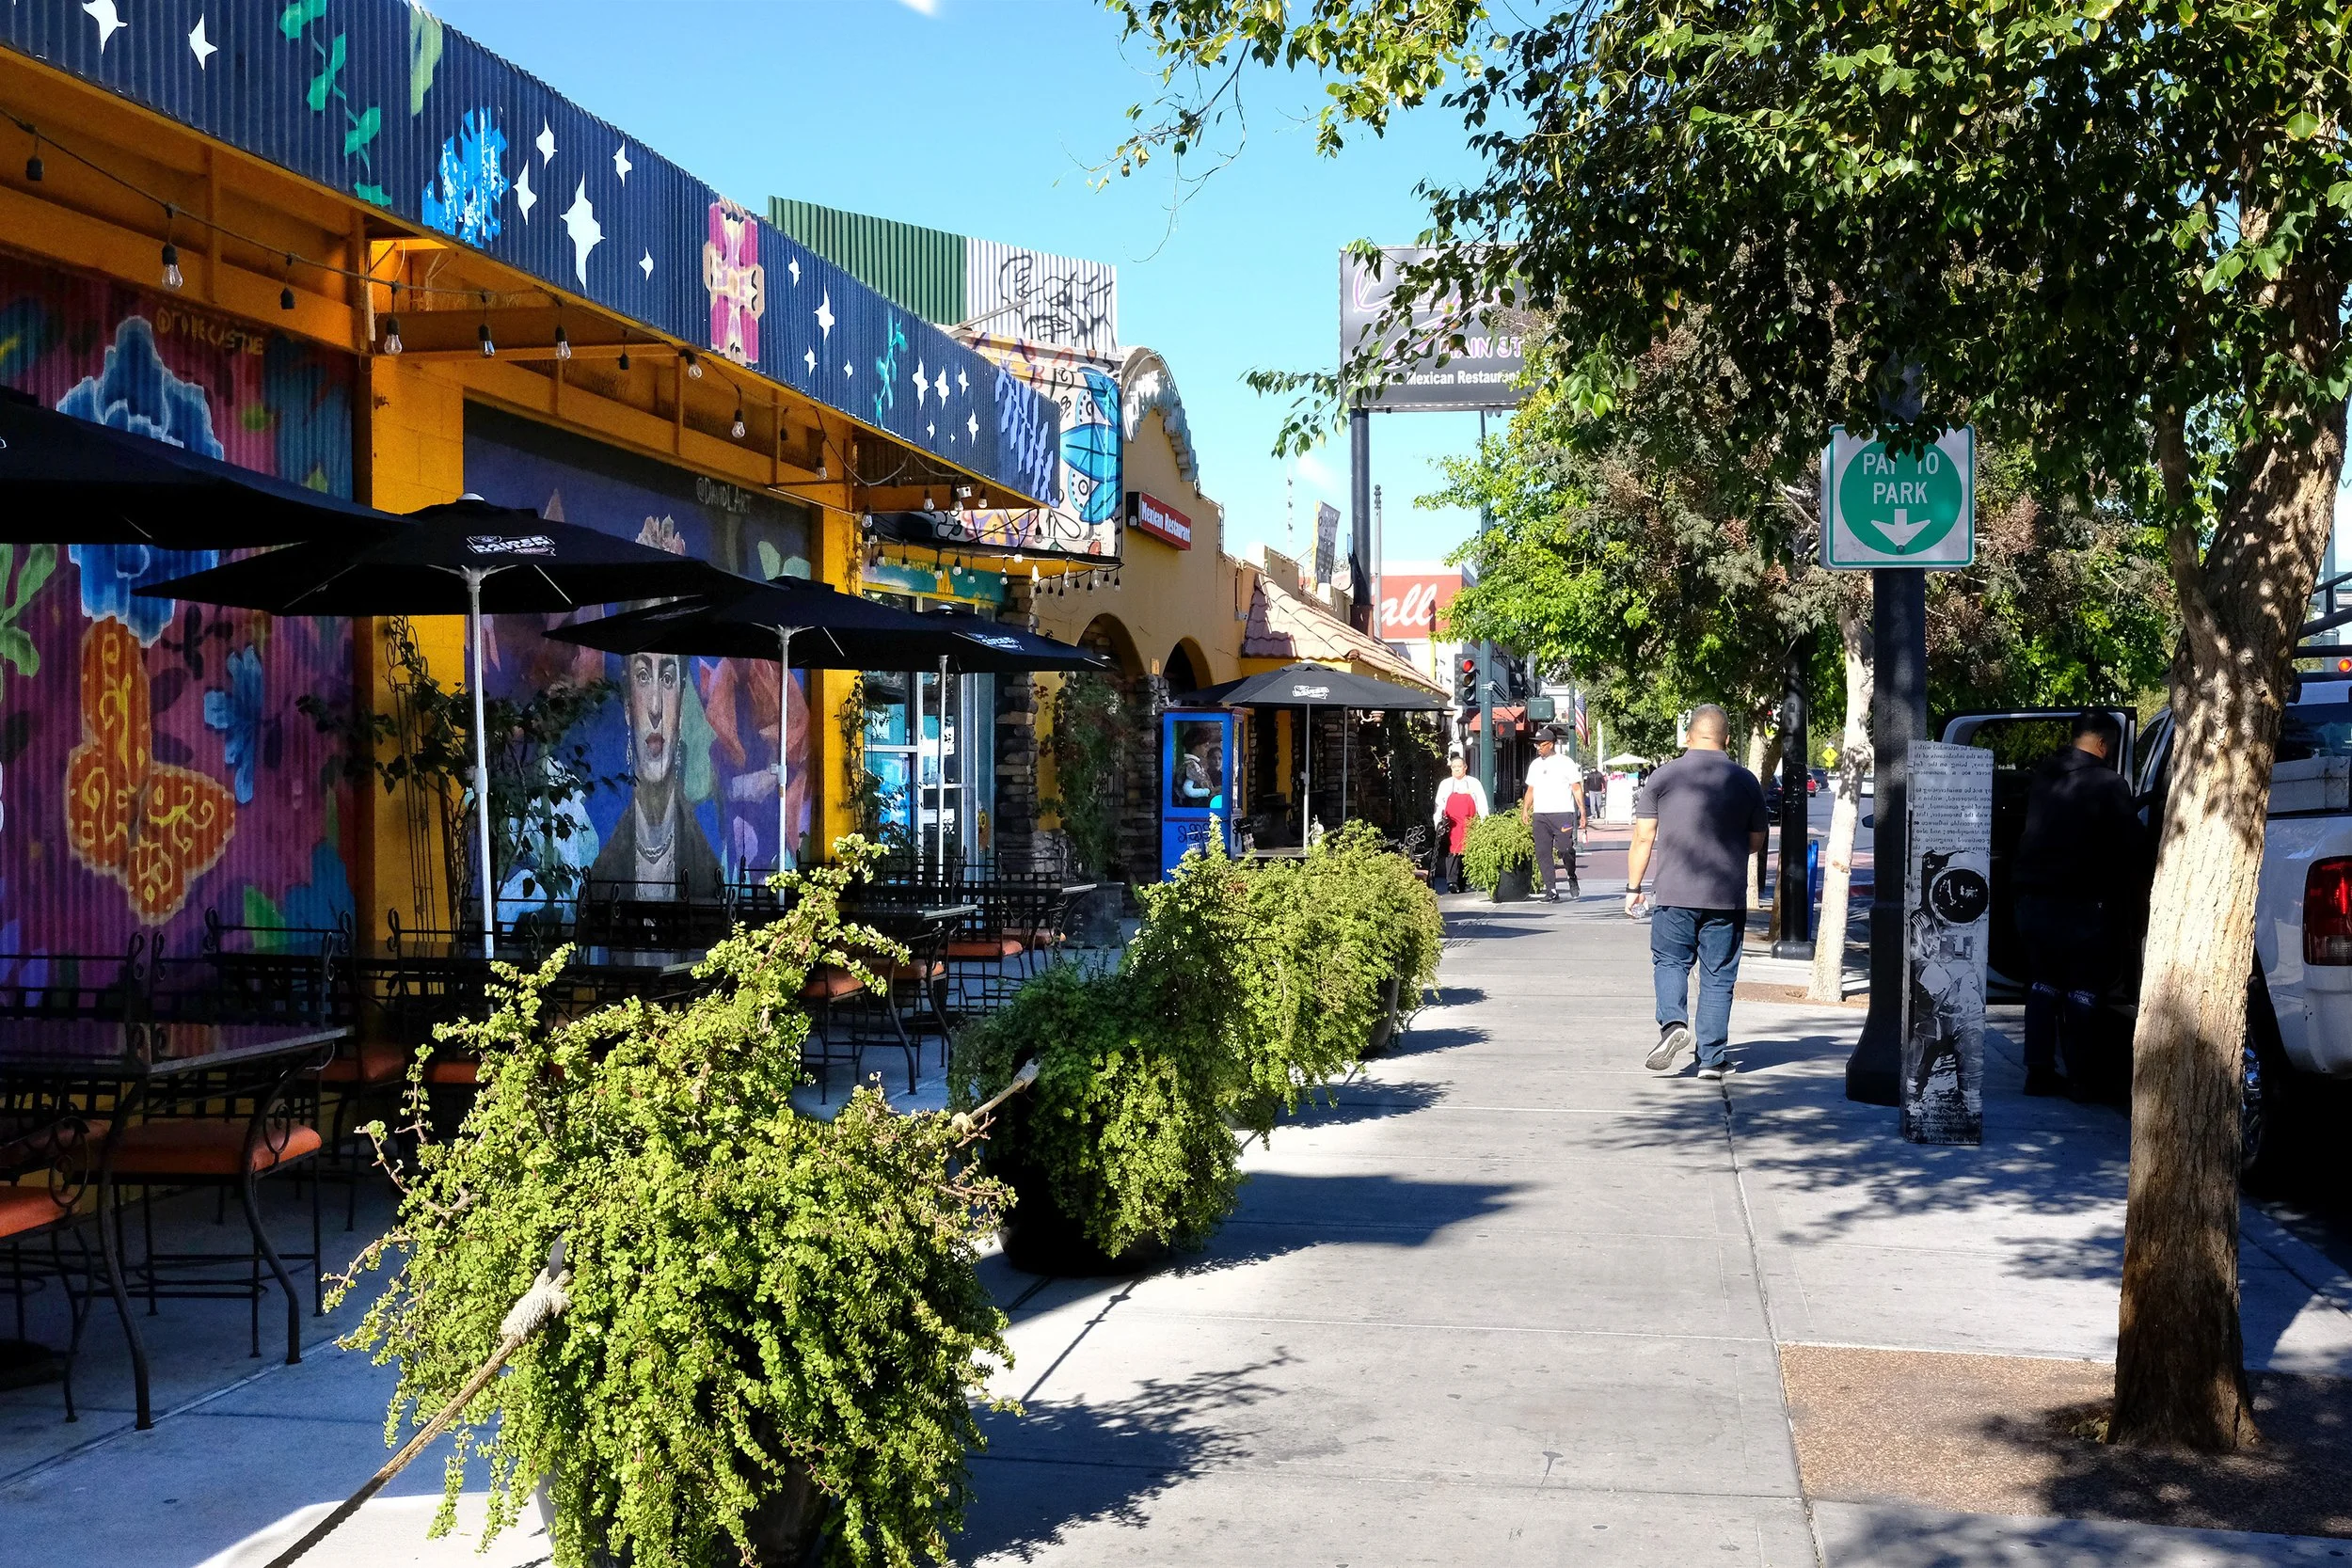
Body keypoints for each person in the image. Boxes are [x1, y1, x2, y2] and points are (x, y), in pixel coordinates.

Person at [2011, 709, 2153, 1096]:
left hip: (2032, 901)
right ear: (2104, 744)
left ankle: (2038, 1072)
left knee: (2041, 984)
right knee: (2082, 989)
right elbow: (2132, 843)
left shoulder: (2044, 777)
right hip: (2081, 906)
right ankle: (2082, 1077)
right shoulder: (2108, 784)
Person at [1626, 705, 1769, 1080]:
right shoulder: (1746, 780)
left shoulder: (1663, 777)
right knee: (1718, 975)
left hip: (1674, 893)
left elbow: (1643, 837)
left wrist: (1633, 888)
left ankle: (1673, 1024)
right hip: (1725, 896)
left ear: (1689, 735)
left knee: (1671, 962)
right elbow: (1756, 841)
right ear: (1726, 739)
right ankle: (1711, 1059)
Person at [591, 649, 724, 900]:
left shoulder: (707, 867)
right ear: (628, 706)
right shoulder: (604, 871)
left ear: (682, 706)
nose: (655, 707)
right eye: (642, 676)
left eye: (667, 679)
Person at [1521, 726, 1587, 902]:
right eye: (1536, 745)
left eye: (1541, 745)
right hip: (1541, 815)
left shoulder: (1566, 762)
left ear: (1550, 744)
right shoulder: (1535, 765)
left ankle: (1571, 875)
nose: (1538, 748)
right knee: (1542, 852)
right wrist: (1526, 809)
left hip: (1563, 814)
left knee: (1565, 849)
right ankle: (1551, 890)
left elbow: (1576, 788)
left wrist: (1582, 812)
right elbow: (1530, 790)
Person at [1431, 752, 1489, 894]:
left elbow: (1481, 803)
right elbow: (1439, 805)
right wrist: (1438, 822)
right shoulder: (1445, 784)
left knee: (1467, 852)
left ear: (1465, 767)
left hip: (1470, 823)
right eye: (1454, 767)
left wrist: (1485, 822)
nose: (1456, 769)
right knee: (1452, 853)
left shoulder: (1474, 783)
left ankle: (1464, 881)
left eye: (1459, 766)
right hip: (1452, 826)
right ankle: (1452, 882)